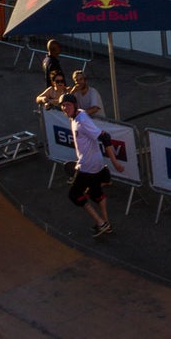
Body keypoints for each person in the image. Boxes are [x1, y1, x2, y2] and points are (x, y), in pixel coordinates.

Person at [58, 91, 113, 239]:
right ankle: (106, 223)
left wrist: (115, 162)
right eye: (62, 105)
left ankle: (101, 223)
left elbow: (104, 136)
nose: (64, 108)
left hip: (88, 167)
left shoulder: (81, 121)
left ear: (75, 105)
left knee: (75, 195)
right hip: (95, 165)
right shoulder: (79, 114)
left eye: (67, 105)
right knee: (96, 194)